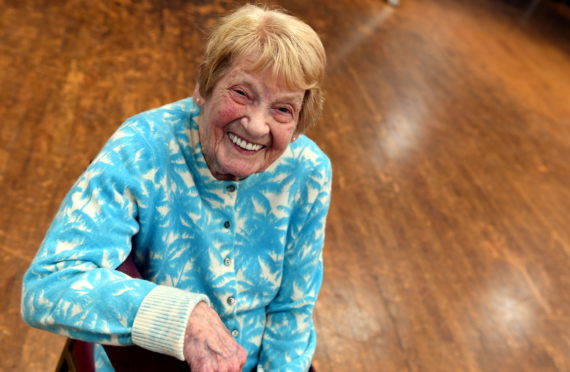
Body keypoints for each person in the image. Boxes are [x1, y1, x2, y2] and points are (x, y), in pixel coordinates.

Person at [21, 4, 331, 372]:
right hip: (147, 363)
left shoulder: (308, 172)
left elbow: (292, 309)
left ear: (298, 123)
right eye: (242, 93)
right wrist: (181, 317)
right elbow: (49, 285)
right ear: (204, 85)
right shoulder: (141, 149)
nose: (256, 125)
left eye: (283, 109)